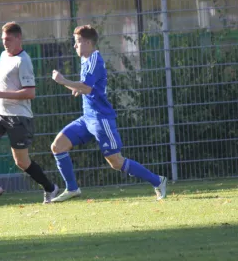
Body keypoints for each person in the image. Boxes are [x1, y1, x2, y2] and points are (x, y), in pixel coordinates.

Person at [49, 24, 167, 202]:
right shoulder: (85, 58)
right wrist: (74, 87)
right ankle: (72, 189)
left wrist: (63, 81)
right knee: (58, 146)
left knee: (116, 162)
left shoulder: (95, 59)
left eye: (78, 42)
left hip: (100, 119)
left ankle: (158, 180)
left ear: (88, 42)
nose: (75, 46)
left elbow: (87, 87)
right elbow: (86, 87)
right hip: (87, 118)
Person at [0, 21, 59, 208]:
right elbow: (0, 75)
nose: (5, 43)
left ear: (18, 38)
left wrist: (0, 93)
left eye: (8, 39)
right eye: (3, 40)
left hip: (19, 117)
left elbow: (30, 93)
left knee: (22, 162)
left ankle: (50, 188)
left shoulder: (23, 61)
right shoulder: (4, 55)